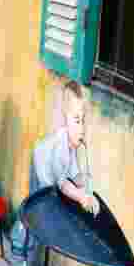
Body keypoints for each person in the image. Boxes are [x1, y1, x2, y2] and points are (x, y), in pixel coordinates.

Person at [31, 80, 97, 214]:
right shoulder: (60, 146)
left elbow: (73, 173)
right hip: (40, 172)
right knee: (39, 206)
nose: (82, 129)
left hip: (53, 177)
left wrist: (84, 185)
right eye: (77, 121)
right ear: (65, 120)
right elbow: (63, 184)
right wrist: (80, 196)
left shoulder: (71, 144)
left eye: (83, 121)